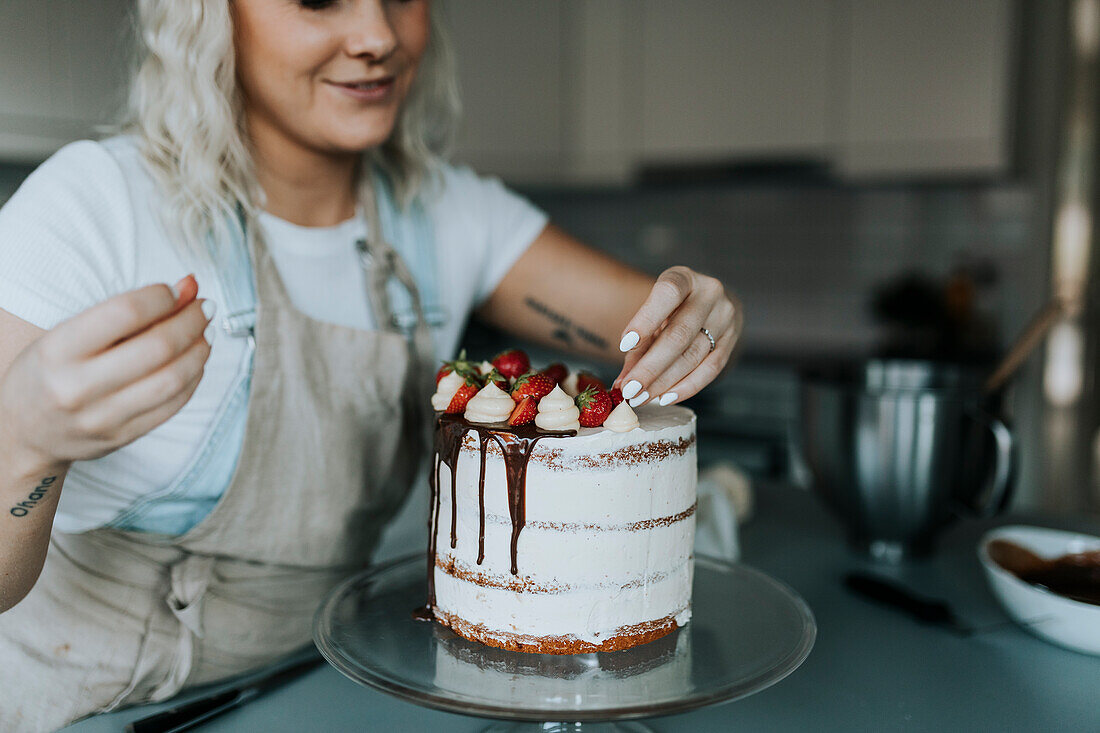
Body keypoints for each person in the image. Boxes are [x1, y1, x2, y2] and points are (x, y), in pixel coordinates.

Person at [0, 1, 742, 728]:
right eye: (320, 0)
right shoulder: (95, 207)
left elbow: (655, 317)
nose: (378, 35)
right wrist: (25, 439)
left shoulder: (447, 214)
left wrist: (704, 306)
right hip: (73, 706)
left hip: (310, 689)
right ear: (211, 14)